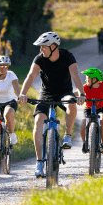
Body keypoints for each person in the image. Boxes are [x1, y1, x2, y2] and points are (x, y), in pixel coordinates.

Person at [18, 31, 86, 178]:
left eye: (43, 46)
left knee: (71, 104)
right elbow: (31, 75)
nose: (41, 49)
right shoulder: (40, 59)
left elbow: (75, 75)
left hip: (64, 93)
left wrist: (81, 93)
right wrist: (23, 93)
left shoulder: (68, 56)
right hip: (46, 95)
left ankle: (67, 135)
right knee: (38, 122)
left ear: (54, 46)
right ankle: (39, 162)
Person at [79, 68, 103, 154]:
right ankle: (84, 143)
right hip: (89, 108)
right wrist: (73, 97)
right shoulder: (85, 87)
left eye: (88, 77)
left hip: (102, 108)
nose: (86, 79)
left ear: (95, 79)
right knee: (83, 125)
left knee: (102, 120)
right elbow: (76, 93)